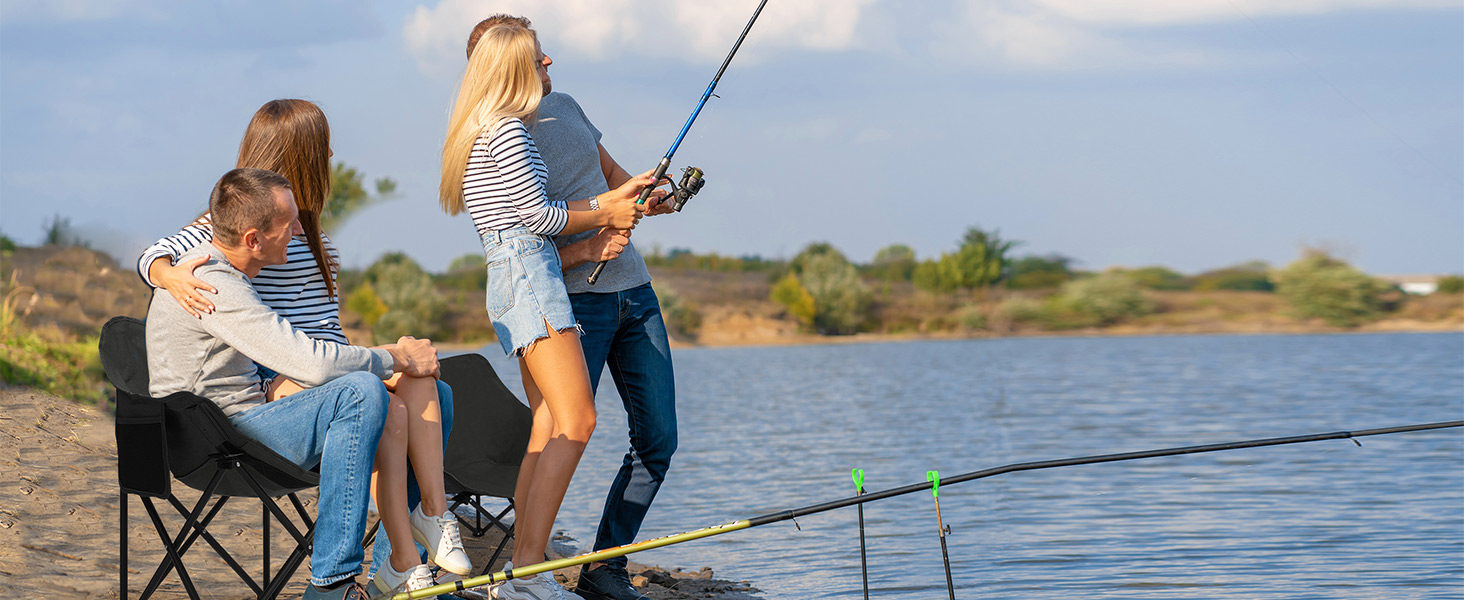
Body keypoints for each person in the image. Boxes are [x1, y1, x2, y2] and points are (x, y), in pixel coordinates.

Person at [135, 100, 467, 596]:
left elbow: (322, 339)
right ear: (254, 236)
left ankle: (407, 553)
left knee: (429, 395)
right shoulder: (209, 270)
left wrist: (386, 366)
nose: (333, 154)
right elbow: (304, 358)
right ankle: (334, 582)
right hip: (217, 431)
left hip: (243, 409)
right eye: (324, 147)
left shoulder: (294, 237)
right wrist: (164, 274)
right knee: (362, 394)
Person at [438, 23, 657, 600]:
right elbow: (544, 219)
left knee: (546, 424)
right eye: (538, 57)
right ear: (515, 66)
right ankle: (527, 569)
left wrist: (613, 201)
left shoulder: (484, 126)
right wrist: (607, 209)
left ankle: (520, 572)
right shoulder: (507, 131)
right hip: (532, 279)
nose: (548, 61)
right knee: (578, 420)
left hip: (519, 279)